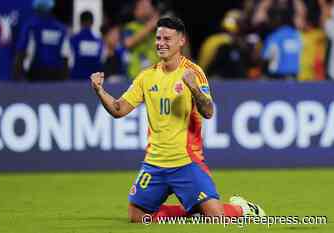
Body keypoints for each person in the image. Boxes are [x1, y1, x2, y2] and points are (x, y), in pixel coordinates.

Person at [90, 16, 266, 222]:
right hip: (154, 163)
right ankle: (191, 213)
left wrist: (194, 89)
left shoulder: (193, 72)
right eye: (158, 38)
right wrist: (99, 91)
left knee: (217, 216)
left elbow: (208, 112)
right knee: (137, 216)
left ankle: (243, 209)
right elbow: (119, 109)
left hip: (186, 162)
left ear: (180, 41)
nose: (161, 43)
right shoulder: (146, 77)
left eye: (167, 39)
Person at [14, 0, 70, 81]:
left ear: (36, 7)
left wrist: (17, 76)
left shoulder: (30, 26)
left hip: (35, 74)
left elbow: (21, 52)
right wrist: (64, 78)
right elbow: (66, 56)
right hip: (56, 75)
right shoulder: (61, 28)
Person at [123, 0, 160, 79]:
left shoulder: (159, 28)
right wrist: (149, 27)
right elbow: (128, 43)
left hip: (156, 74)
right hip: (137, 74)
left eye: (147, 7)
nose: (145, 9)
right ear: (135, 11)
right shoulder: (131, 27)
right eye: (142, 7)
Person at [69, 11, 102, 81]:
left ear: (80, 22)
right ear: (92, 22)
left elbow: (69, 60)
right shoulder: (99, 41)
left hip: (76, 79)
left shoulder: (73, 39)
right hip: (93, 81)